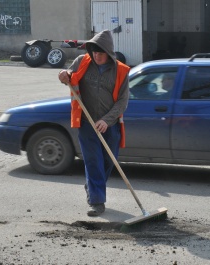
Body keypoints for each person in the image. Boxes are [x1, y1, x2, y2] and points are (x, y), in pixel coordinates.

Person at [58, 30, 130, 216]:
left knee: (108, 161)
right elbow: (67, 75)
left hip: (109, 123)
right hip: (86, 121)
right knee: (93, 161)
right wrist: (63, 74)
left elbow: (123, 101)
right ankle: (97, 202)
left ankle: (92, 186)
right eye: (94, 52)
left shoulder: (120, 71)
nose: (97, 56)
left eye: (100, 53)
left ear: (109, 52)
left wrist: (106, 120)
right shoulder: (82, 62)